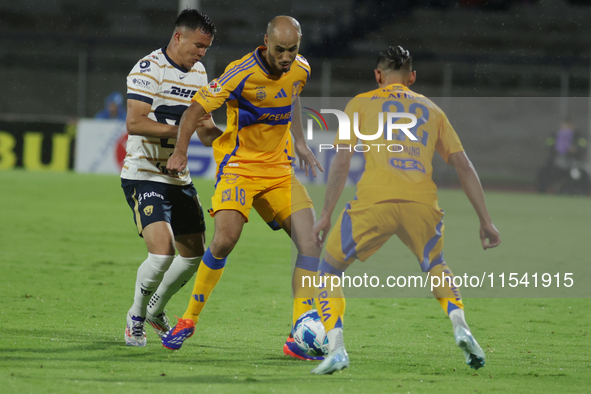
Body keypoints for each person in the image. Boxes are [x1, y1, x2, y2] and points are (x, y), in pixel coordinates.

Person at [309, 46, 501, 374]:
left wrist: (326, 214)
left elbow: (342, 160)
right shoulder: (432, 110)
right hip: (422, 203)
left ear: (378, 76)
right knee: (436, 265)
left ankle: (337, 348)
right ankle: (461, 326)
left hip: (375, 201)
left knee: (328, 272)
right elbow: (463, 166)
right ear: (412, 77)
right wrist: (486, 221)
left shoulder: (359, 103)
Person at [163, 16, 325, 359]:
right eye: (279, 50)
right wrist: (180, 151)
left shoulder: (301, 68)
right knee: (224, 240)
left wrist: (300, 141)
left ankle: (300, 332)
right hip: (239, 169)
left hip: (279, 171)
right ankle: (188, 319)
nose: (286, 57)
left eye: (292, 50)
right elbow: (195, 110)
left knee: (311, 242)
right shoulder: (241, 72)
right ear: (265, 42)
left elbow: (293, 96)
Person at [121, 9, 219, 347]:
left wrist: (233, 136)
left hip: (179, 177)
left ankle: (155, 309)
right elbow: (135, 122)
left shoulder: (199, 73)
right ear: (178, 37)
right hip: (145, 173)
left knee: (194, 256)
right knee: (162, 254)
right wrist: (182, 130)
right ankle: (135, 317)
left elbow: (205, 131)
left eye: (206, 48)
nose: (201, 53)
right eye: (198, 45)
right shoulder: (149, 69)